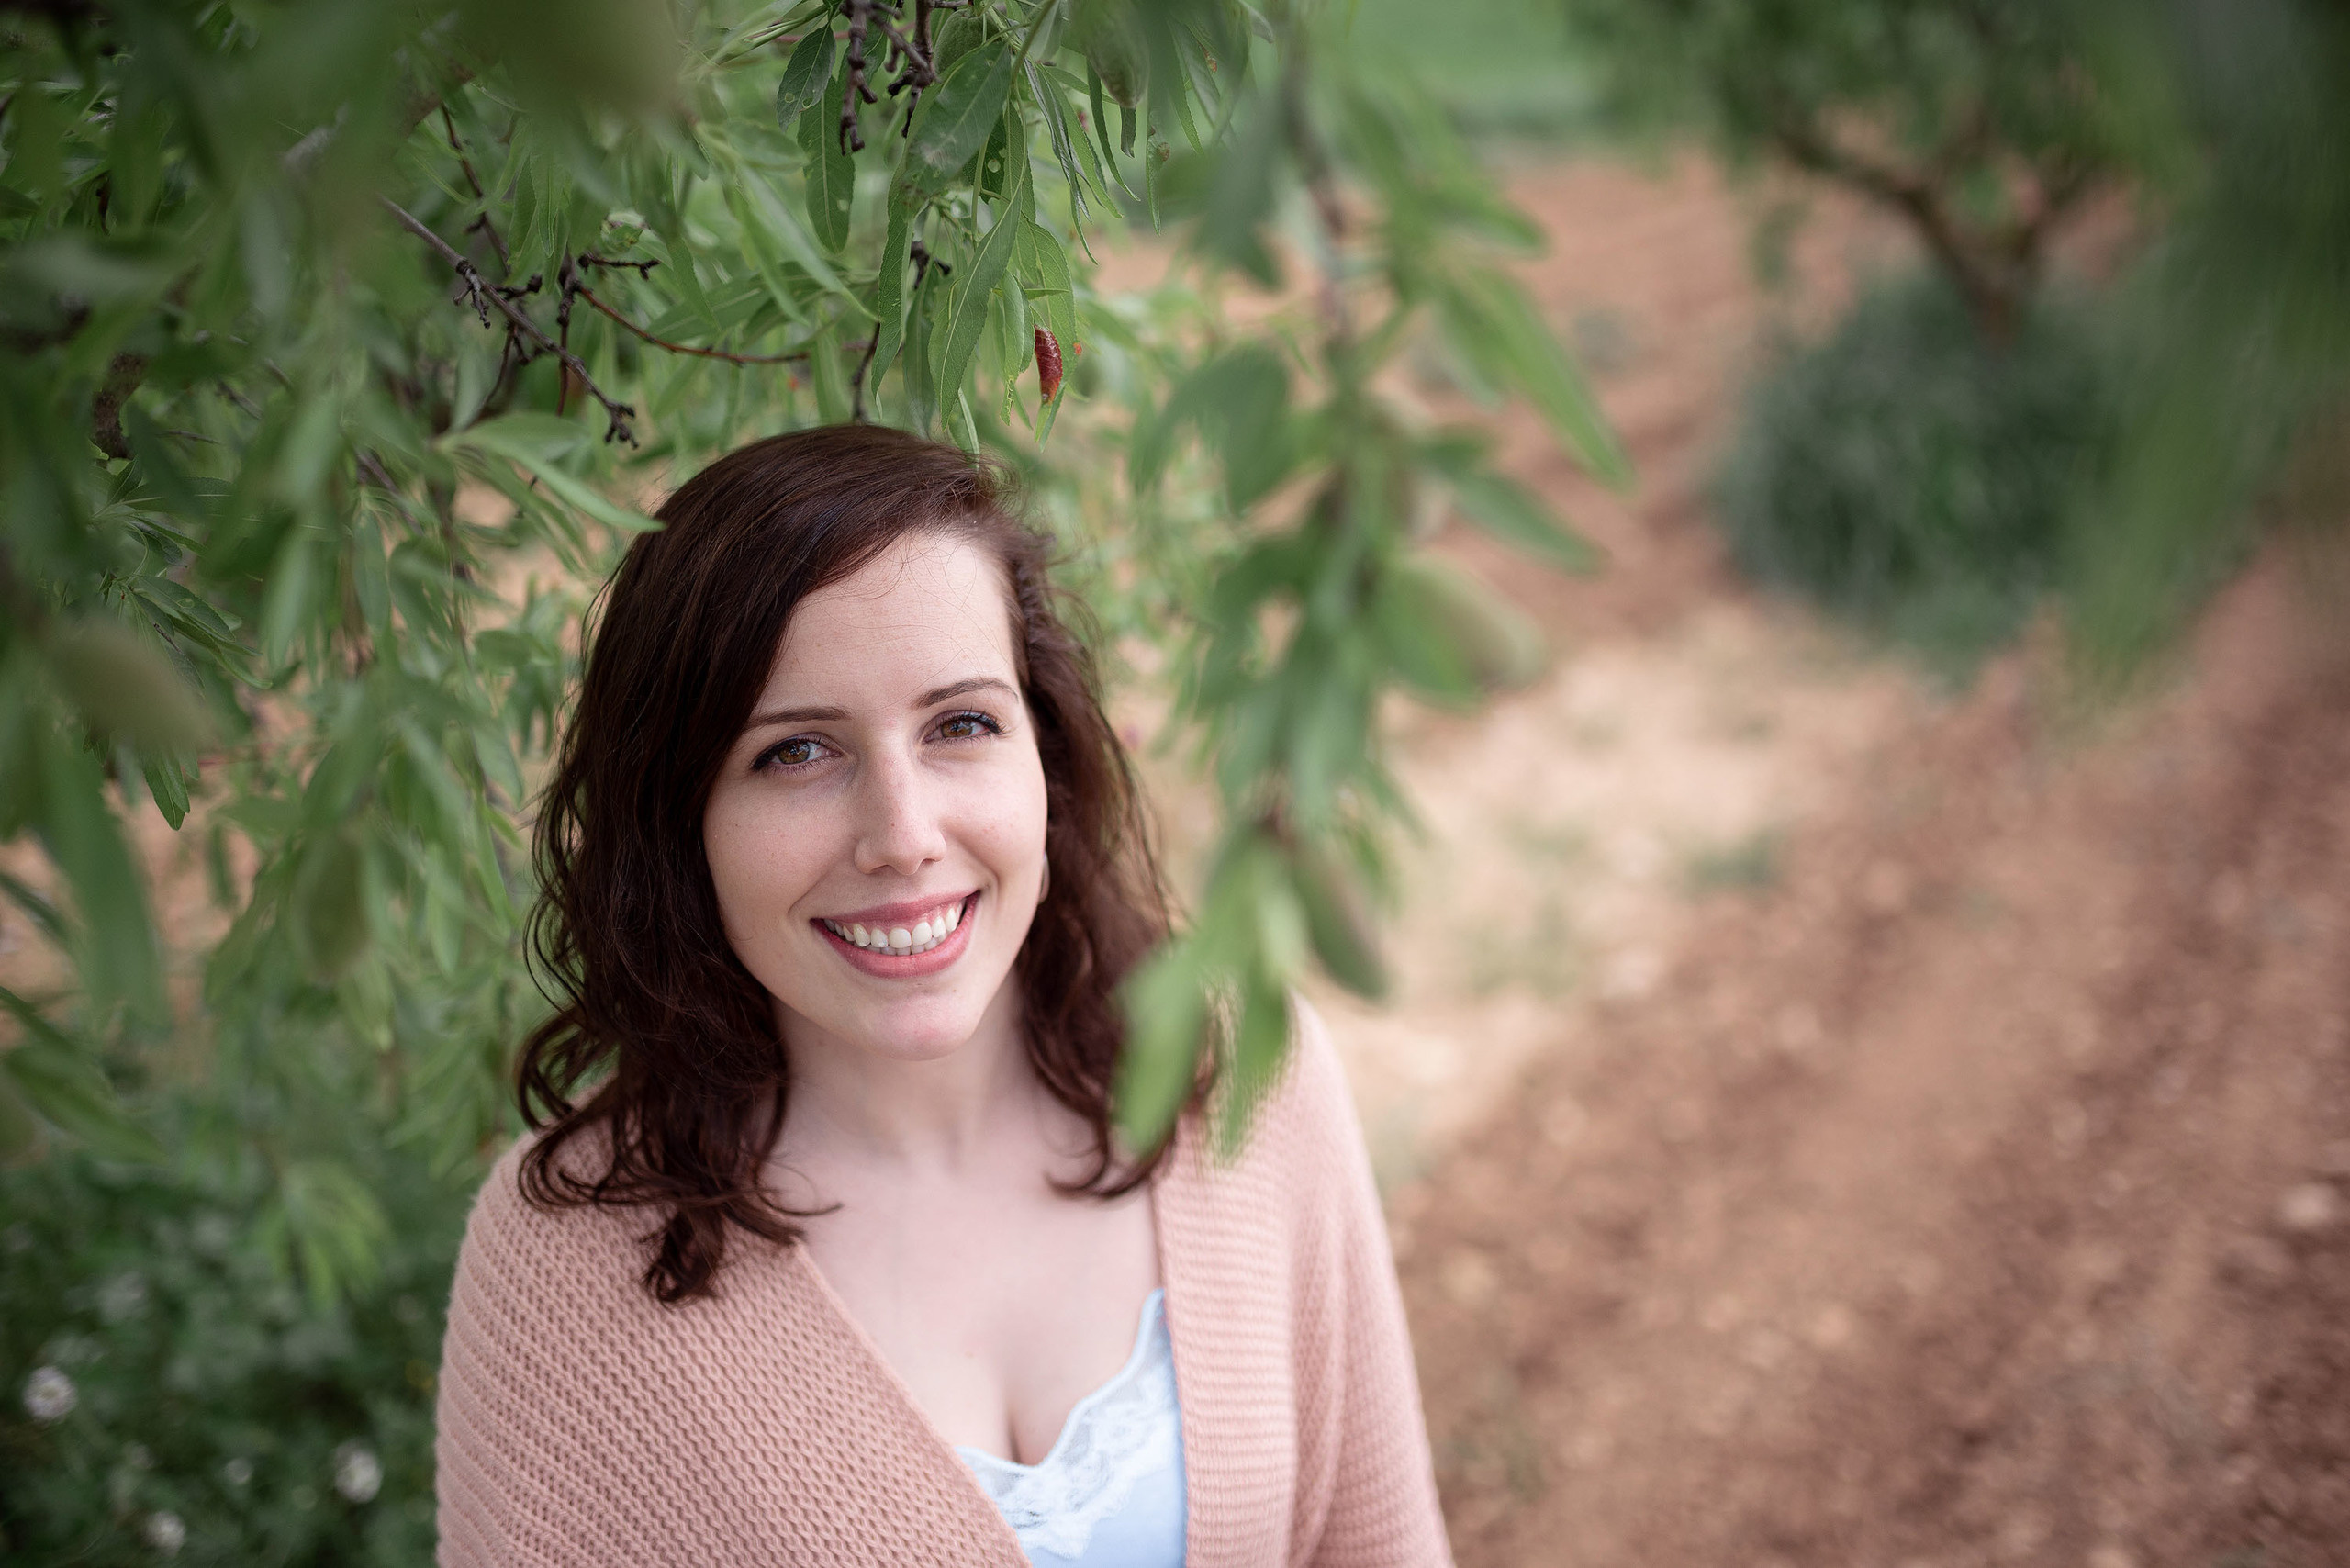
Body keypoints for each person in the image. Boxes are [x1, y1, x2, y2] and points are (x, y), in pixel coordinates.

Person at [433, 424, 1451, 1567]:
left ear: (1045, 753)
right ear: (684, 823)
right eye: (796, 753)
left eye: (960, 723)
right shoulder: (561, 1267)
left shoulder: (1234, 1070)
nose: (904, 837)